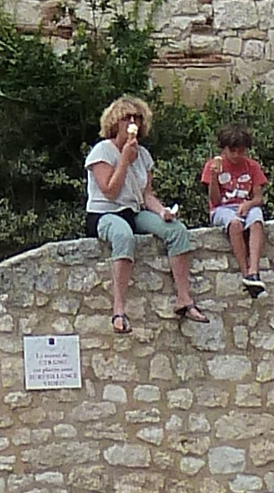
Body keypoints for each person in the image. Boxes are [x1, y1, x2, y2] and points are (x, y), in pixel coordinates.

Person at [86, 95, 203, 333]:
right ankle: (119, 309)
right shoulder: (103, 151)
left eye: (137, 118)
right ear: (115, 122)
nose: (133, 122)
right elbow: (109, 191)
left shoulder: (144, 155)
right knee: (123, 236)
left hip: (133, 210)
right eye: (127, 118)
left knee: (177, 232)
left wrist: (163, 211)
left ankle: (184, 298)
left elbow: (146, 194)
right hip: (105, 213)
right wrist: (124, 161)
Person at [199, 124, 269, 296]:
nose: (237, 155)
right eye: (233, 151)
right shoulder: (212, 166)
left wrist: (248, 204)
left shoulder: (252, 166)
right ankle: (245, 273)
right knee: (235, 224)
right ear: (224, 148)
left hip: (246, 205)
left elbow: (259, 198)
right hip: (222, 208)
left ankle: (254, 270)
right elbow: (214, 201)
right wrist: (214, 177)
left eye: (241, 151)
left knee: (257, 220)